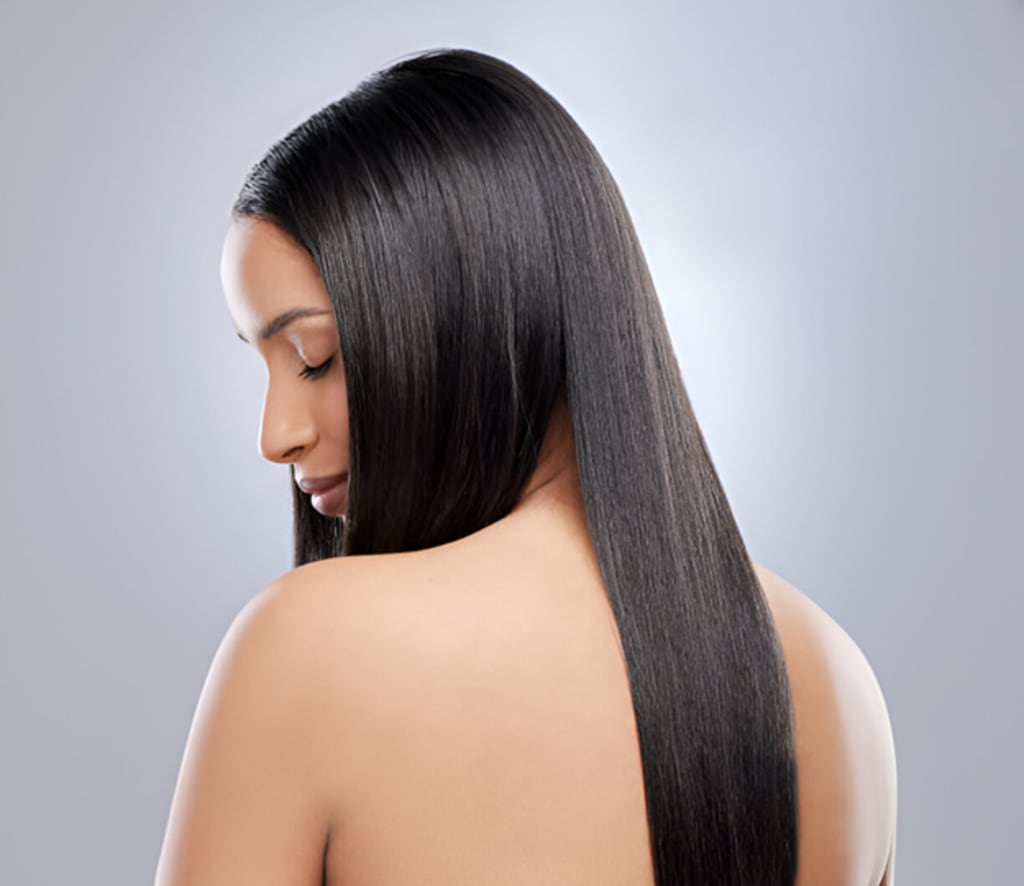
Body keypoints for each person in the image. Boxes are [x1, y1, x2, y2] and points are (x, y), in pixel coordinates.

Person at [155, 48, 898, 885]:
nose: (276, 435)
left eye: (314, 357)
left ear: (464, 314)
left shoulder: (306, 650)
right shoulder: (835, 680)